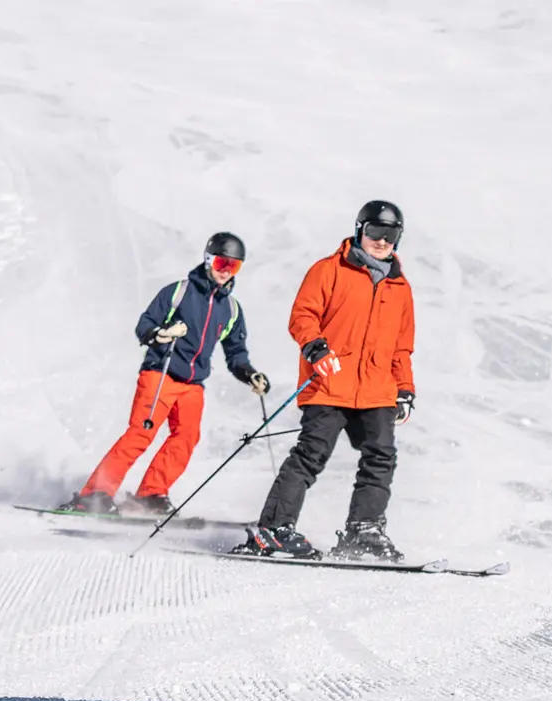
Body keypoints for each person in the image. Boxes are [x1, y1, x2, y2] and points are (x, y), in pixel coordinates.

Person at [235, 201, 416, 561]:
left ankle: (363, 531)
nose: (382, 241)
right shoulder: (329, 270)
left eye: (391, 235)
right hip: (330, 381)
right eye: (375, 233)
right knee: (310, 455)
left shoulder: (400, 287)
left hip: (377, 389)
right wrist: (315, 348)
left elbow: (401, 346)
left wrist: (404, 388)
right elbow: (303, 314)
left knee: (381, 458)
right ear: (359, 230)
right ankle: (274, 531)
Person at [64, 233, 268, 515]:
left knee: (186, 439)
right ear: (209, 259)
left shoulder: (231, 309)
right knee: (140, 434)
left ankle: (150, 494)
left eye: (234, 266)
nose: (225, 271)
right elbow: (145, 325)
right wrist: (162, 334)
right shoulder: (179, 292)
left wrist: (250, 374)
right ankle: (94, 494)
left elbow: (236, 353)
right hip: (161, 373)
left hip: (193, 384)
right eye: (222, 262)